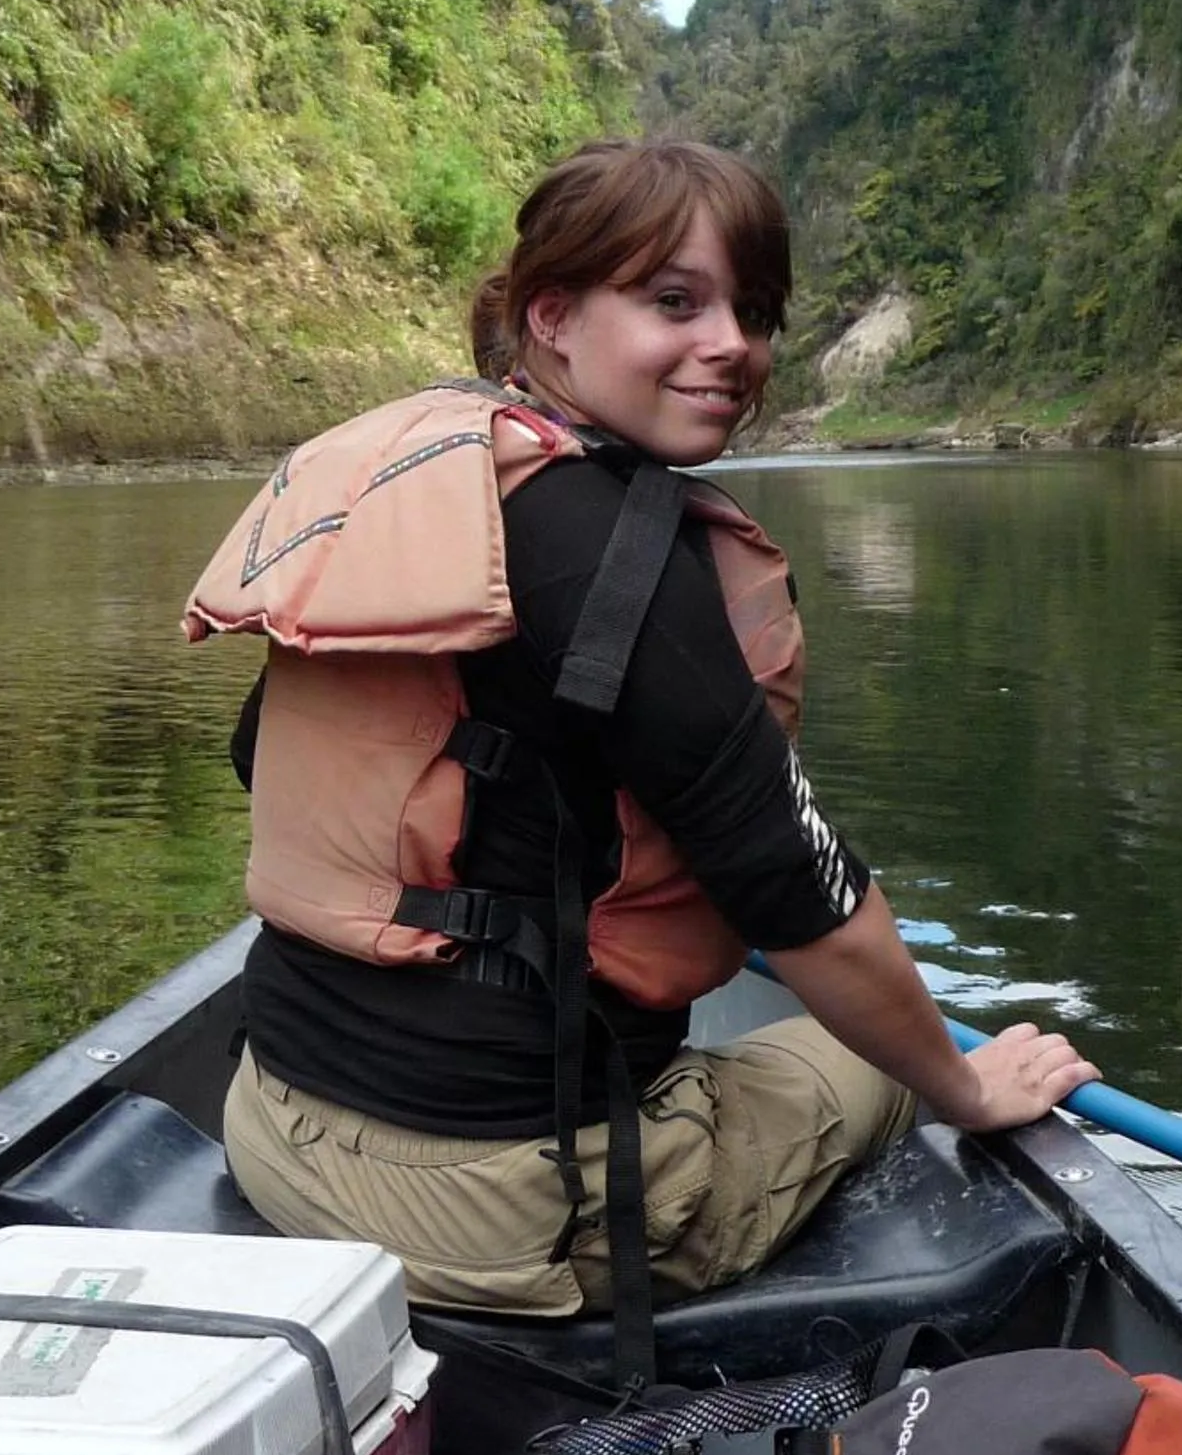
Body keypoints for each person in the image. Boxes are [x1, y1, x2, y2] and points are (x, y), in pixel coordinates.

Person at [181, 137, 1095, 1371]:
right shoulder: (617, 551)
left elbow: (274, 763)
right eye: (676, 301)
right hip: (489, 1214)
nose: (733, 344)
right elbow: (805, 899)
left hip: (272, 1122)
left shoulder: (430, 486)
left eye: (754, 311)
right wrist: (967, 1085)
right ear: (552, 317)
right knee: (875, 1051)